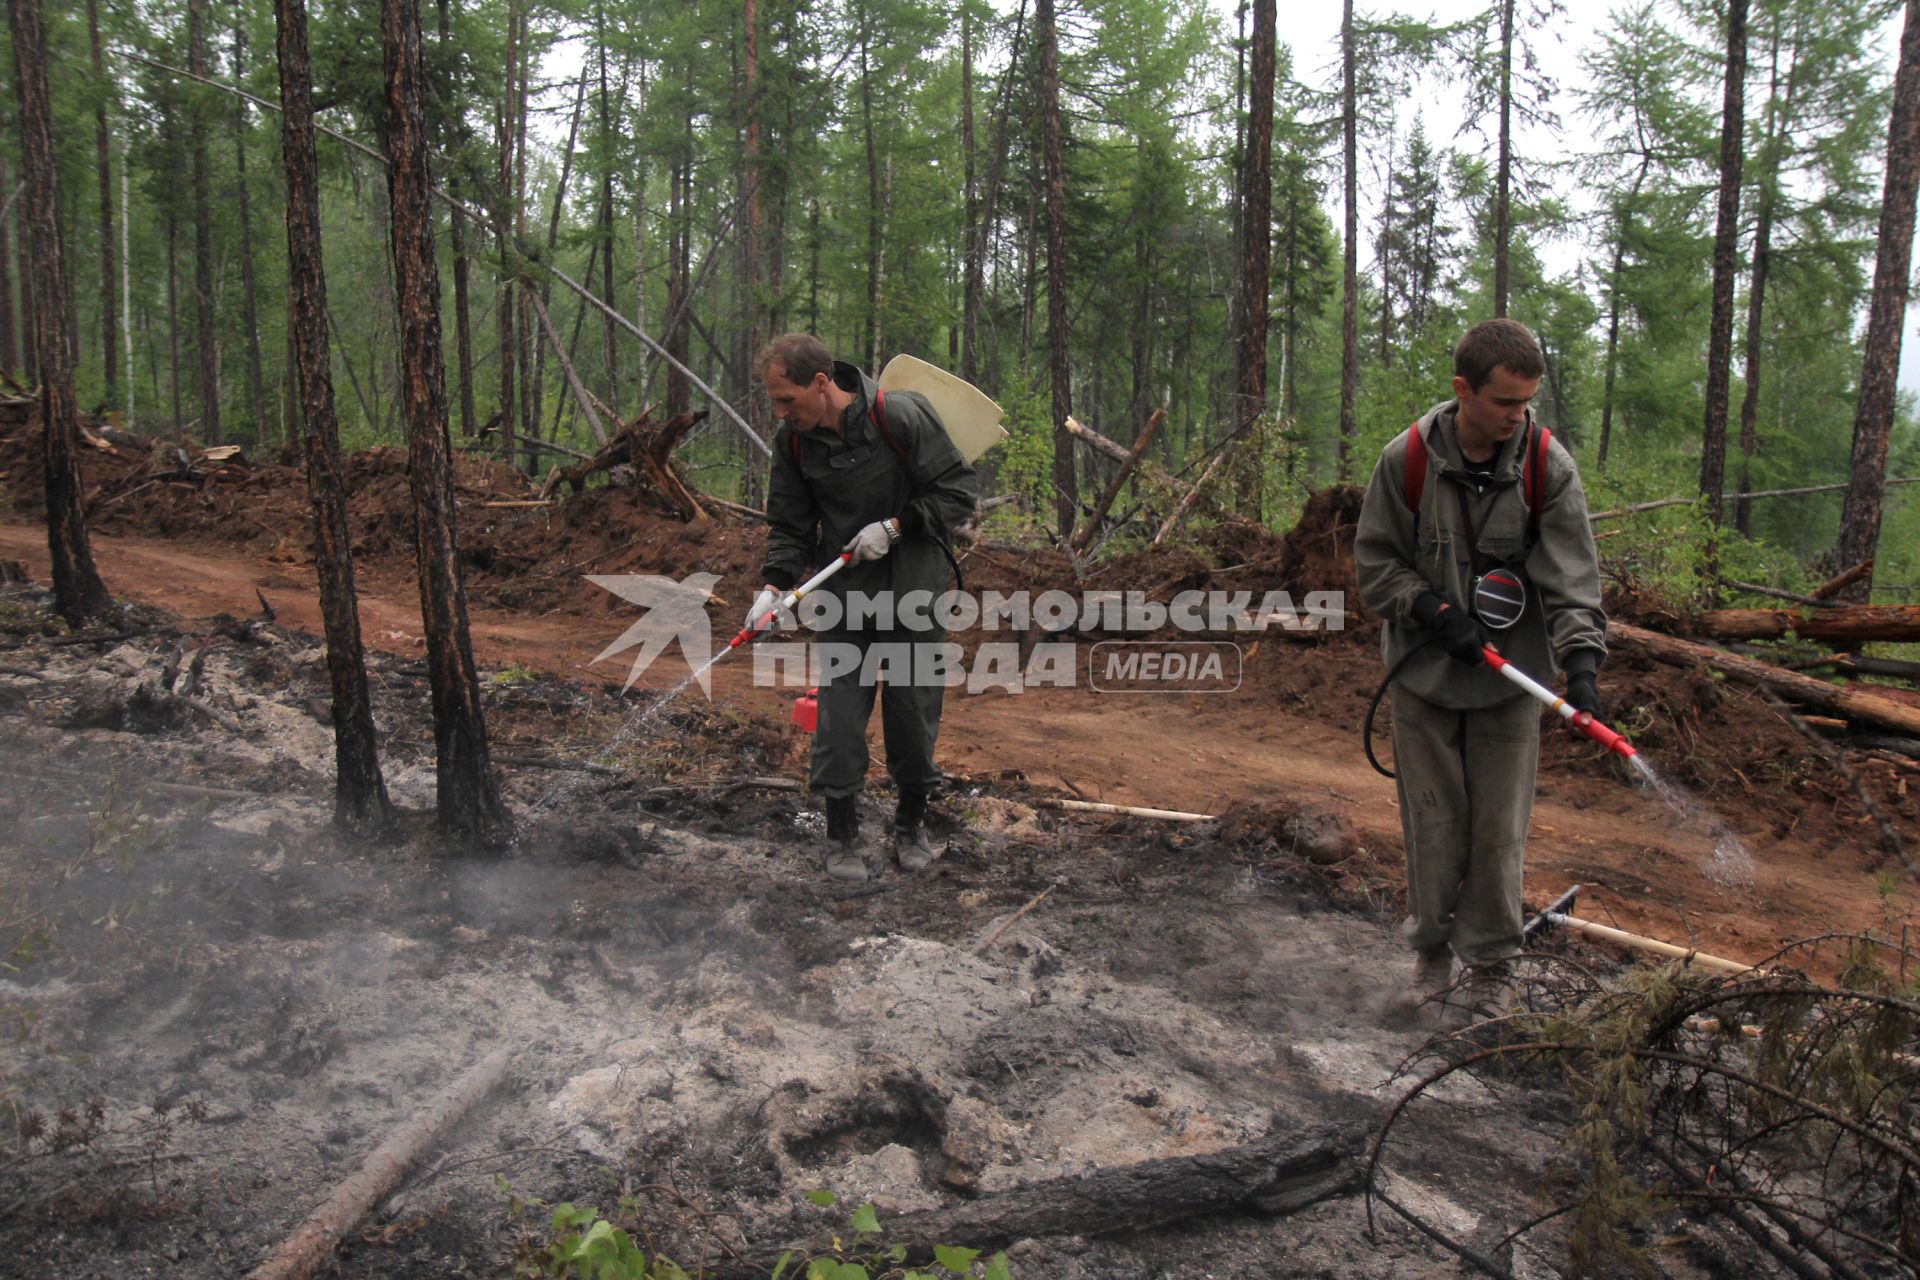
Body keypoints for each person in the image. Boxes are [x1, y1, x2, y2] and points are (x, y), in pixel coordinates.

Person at [1354, 319, 1606, 1008]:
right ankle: (1432, 963)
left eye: (1527, 403)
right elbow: (1376, 567)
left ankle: (1490, 972)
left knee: (1499, 836)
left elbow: (1572, 580)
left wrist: (1581, 663)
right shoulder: (1404, 460)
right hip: (1425, 680)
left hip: (1510, 688)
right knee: (1433, 827)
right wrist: (1434, 612)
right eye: (1504, 403)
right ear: (1463, 389)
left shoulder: (1544, 466)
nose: (1517, 417)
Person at [747, 334, 977, 883]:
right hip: (845, 602)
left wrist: (897, 527)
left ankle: (910, 826)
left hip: (912, 594)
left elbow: (957, 492)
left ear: (822, 384)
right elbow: (791, 523)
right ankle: (842, 835)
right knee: (840, 721)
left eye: (787, 399)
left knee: (913, 714)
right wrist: (774, 587)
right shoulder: (794, 442)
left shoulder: (897, 416)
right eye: (774, 402)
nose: (780, 412)